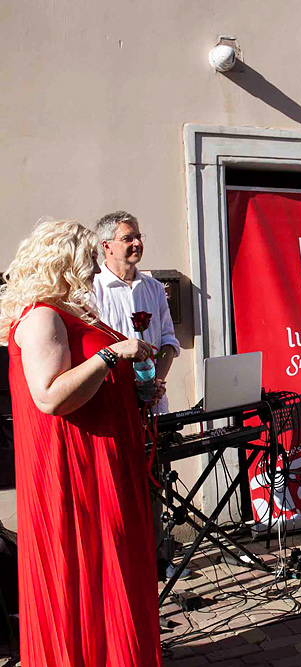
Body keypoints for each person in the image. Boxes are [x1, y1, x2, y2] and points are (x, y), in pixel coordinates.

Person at [0, 219, 161, 666]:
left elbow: (90, 383)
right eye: (87, 258)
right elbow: (51, 397)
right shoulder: (40, 316)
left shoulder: (70, 312)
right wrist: (113, 355)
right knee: (90, 568)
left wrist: (134, 387)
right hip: (78, 468)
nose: (95, 268)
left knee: (113, 569)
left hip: (105, 459)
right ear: (62, 261)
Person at [92, 211, 178, 413]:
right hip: (113, 400)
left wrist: (156, 380)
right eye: (127, 238)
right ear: (107, 246)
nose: (137, 243)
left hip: (154, 403)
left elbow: (169, 341)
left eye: (138, 237)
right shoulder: (92, 289)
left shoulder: (155, 288)